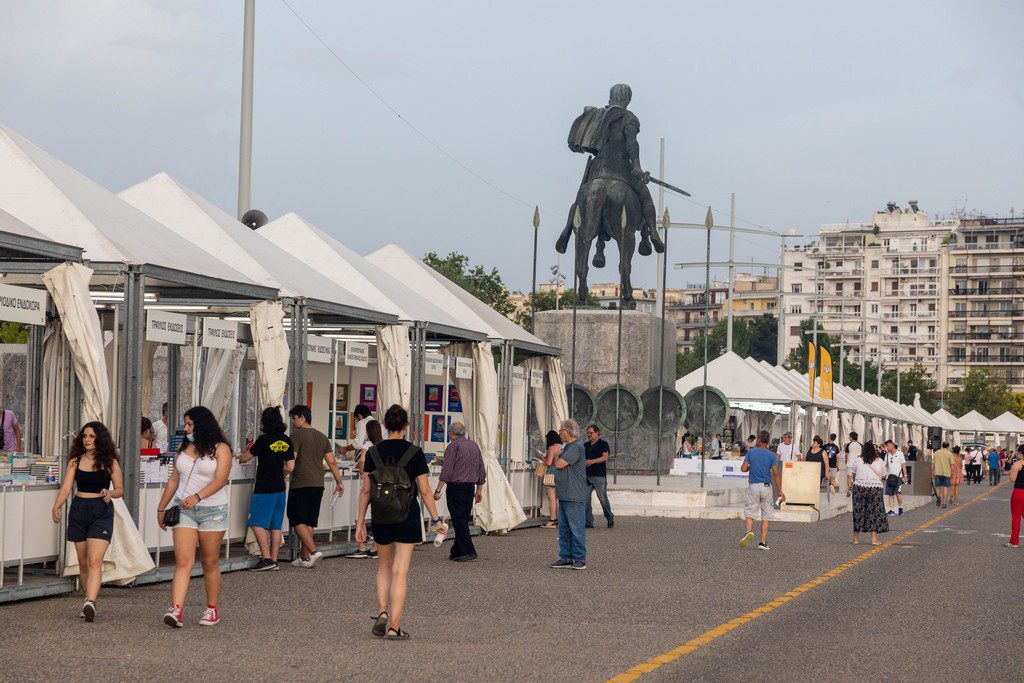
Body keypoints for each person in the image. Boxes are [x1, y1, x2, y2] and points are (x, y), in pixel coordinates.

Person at [355, 404, 443, 640]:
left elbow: (365, 491)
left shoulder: (372, 453)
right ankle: (394, 626)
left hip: (381, 514)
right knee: (400, 571)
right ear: (406, 426)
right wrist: (436, 520)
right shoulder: (414, 452)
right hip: (407, 514)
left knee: (383, 567)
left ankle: (382, 611)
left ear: (384, 425)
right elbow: (424, 491)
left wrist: (360, 522)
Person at [157, 406, 232, 627]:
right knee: (183, 561)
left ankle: (211, 609)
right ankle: (176, 609)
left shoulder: (221, 449)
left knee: (209, 561)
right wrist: (161, 508)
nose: (186, 428)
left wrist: (198, 497)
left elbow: (221, 480)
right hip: (184, 509)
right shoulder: (184, 447)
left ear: (202, 424)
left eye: (190, 424)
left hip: (213, 510)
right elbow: (174, 479)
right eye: (186, 424)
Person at [51, 421, 123, 622]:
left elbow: (120, 489)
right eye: (85, 436)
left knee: (94, 560)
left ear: (100, 438)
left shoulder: (110, 462)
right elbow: (66, 488)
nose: (87, 440)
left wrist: (110, 492)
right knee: (83, 563)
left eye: (91, 436)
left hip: (101, 511)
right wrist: (56, 506)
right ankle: (87, 598)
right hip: (79, 510)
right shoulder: (75, 460)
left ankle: (91, 601)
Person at [287, 404, 344, 568]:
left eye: (294, 417)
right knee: (309, 521)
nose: (292, 421)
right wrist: (339, 482)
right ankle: (304, 557)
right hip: (318, 483)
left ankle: (313, 551)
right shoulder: (322, 437)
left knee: (296, 518)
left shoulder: (296, 436)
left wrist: (284, 469)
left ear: (302, 417)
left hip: (301, 483)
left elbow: (293, 459)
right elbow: (332, 462)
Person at [238, 406, 295, 571]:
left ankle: (266, 558)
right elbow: (290, 466)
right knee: (275, 526)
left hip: (264, 488)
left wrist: (238, 458)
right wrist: (280, 472)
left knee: (256, 522)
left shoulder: (263, 440)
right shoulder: (287, 440)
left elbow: (245, 458)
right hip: (280, 488)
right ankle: (274, 560)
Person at [433, 422, 486, 562]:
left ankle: (469, 550)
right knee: (462, 519)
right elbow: (481, 467)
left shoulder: (453, 447)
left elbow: (447, 470)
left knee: (458, 520)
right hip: (470, 488)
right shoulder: (474, 445)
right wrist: (479, 489)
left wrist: (438, 490)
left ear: (451, 433)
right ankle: (456, 551)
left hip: (456, 487)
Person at [550, 419, 588, 570]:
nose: (559, 433)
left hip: (574, 494)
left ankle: (579, 558)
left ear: (569, 431)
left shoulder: (576, 447)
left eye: (561, 430)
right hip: (565, 494)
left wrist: (558, 453)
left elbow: (558, 464)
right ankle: (565, 557)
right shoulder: (569, 447)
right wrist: (559, 453)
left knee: (576, 527)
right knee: (564, 528)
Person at [739, 430, 784, 551]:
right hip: (766, 487)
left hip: (754, 486)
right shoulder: (771, 455)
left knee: (750, 511)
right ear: (767, 441)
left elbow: (743, 469)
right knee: (766, 515)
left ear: (758, 439)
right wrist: (780, 490)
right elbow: (776, 474)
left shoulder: (751, 452)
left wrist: (750, 466)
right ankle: (762, 542)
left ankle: (748, 531)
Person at [346, 419, 384, 558]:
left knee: (359, 517)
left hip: (369, 482)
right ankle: (374, 548)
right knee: (377, 517)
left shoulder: (368, 444)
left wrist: (362, 471)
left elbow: (362, 460)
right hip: (380, 484)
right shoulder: (383, 444)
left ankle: (362, 546)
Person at [850, 441, 889, 545]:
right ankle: (873, 540)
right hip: (875, 489)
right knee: (873, 513)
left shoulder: (858, 460)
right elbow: (884, 475)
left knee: (858, 512)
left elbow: (853, 472)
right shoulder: (880, 461)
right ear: (874, 450)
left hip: (859, 487)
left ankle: (855, 539)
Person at [583, 424, 614, 529]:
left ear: (597, 433)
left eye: (591, 433)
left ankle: (610, 518)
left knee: (603, 499)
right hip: (587, 476)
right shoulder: (585, 445)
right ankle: (588, 522)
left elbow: (605, 457)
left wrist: (592, 461)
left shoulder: (603, 444)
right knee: (585, 500)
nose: (589, 435)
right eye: (588, 433)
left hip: (599, 477)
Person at [541, 430, 562, 529]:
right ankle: (558, 519)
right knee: (557, 499)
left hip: (551, 474)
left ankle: (552, 520)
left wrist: (542, 458)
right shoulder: (561, 447)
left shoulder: (552, 447)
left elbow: (549, 463)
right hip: (559, 473)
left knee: (551, 499)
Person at [883, 440, 908, 516]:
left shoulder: (900, 454)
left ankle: (900, 507)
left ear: (892, 445)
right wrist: (884, 474)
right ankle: (891, 510)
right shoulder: (887, 455)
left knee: (898, 493)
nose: (887, 447)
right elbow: (885, 466)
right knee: (890, 494)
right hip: (889, 477)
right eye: (886, 446)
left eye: (888, 445)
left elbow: (903, 465)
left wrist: (905, 476)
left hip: (899, 478)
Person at [1007, 446, 1024, 548]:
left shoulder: (1018, 463)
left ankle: (1014, 542)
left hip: (1019, 492)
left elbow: (1012, 479)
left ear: (1021, 453)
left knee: (1016, 516)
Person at [931, 441, 955, 509]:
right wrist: (952, 473)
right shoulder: (949, 454)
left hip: (937, 472)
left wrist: (932, 472)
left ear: (942, 445)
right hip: (946, 473)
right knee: (945, 488)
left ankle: (938, 497)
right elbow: (952, 465)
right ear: (948, 446)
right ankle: (944, 503)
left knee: (938, 488)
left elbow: (933, 464)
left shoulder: (936, 453)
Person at [844, 432, 863, 497]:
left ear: (851, 437)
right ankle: (856, 490)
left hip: (850, 463)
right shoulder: (860, 445)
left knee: (849, 477)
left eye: (849, 437)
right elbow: (862, 454)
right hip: (858, 464)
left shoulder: (848, 445)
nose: (849, 438)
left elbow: (846, 454)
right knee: (856, 478)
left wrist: (846, 461)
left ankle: (849, 490)